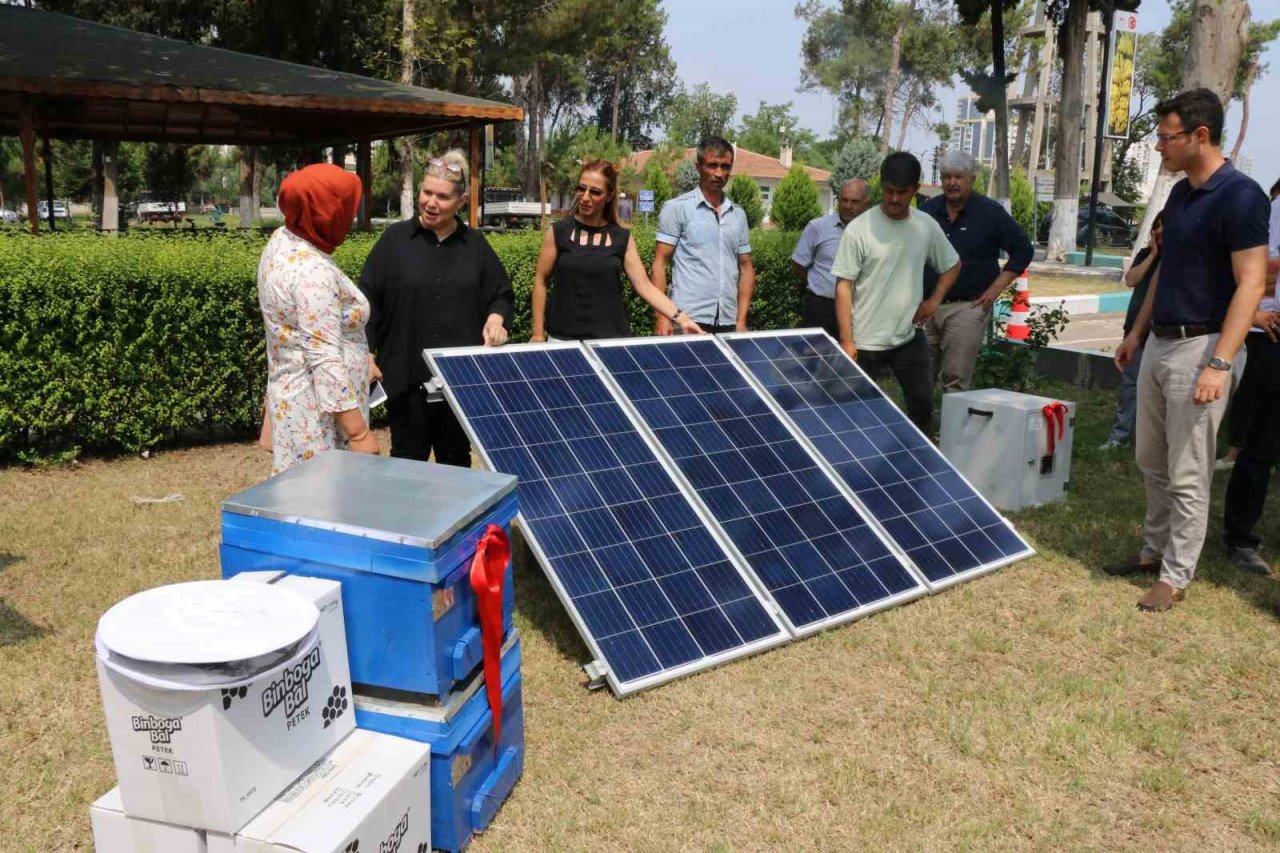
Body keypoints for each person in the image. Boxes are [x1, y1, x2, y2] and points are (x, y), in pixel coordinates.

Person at [1106, 88, 1269, 612]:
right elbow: (1166, 271)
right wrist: (1136, 334)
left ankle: (1176, 575)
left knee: (1189, 470)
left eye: (1166, 137)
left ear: (1201, 135)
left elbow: (1250, 284)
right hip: (1159, 344)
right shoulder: (1179, 196)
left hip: (1203, 349)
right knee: (1151, 459)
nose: (1159, 147)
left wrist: (1221, 362)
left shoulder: (1243, 197)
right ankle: (1153, 551)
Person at [359, 150, 513, 467]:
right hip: (406, 378)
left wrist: (496, 318)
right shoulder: (394, 240)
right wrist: (367, 352)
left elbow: (502, 294)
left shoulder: (476, 246)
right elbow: (368, 300)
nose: (431, 202)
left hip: (458, 381)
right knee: (406, 463)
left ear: (461, 200)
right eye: (426, 192)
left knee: (455, 463)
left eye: (442, 197)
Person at [258, 163, 378, 475]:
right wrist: (359, 433)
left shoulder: (282, 241)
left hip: (295, 399)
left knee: (299, 499)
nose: (350, 218)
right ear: (326, 212)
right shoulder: (313, 274)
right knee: (323, 503)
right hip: (319, 420)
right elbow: (323, 357)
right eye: (345, 208)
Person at [831, 152, 961, 434]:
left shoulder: (925, 226)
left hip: (907, 336)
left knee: (922, 405)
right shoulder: (859, 229)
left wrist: (934, 300)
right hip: (862, 340)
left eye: (902, 193)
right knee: (850, 412)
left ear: (916, 189)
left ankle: (917, 460)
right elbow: (843, 286)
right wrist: (846, 339)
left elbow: (952, 265)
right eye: (888, 191)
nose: (894, 199)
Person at [531, 160, 702, 342]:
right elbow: (541, 281)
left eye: (595, 192)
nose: (585, 197)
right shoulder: (558, 232)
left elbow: (644, 286)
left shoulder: (622, 238)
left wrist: (681, 318)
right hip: (563, 341)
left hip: (611, 343)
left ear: (610, 195)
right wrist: (537, 333)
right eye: (581, 188)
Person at [920, 150, 1034, 393]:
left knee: (955, 379)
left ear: (971, 179)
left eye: (958, 177)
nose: (952, 183)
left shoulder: (990, 213)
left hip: (967, 308)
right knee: (918, 378)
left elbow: (1023, 251)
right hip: (925, 307)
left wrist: (994, 290)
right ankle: (920, 429)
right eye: (947, 177)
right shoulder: (927, 211)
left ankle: (951, 431)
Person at [1220, 176, 1280, 577]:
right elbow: (1261, 270)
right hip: (1273, 338)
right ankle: (1240, 538)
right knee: (1260, 446)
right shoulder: (1274, 209)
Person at [652, 136, 754, 334]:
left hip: (728, 322)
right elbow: (659, 263)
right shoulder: (677, 209)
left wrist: (741, 321)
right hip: (686, 320)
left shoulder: (738, 214)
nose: (719, 173)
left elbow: (746, 268)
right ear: (698, 166)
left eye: (725, 167)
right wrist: (662, 317)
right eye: (712, 165)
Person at [1100, 211, 1164, 450]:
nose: (1158, 231)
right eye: (1155, 226)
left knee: (1157, 389)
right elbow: (1131, 280)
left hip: (1161, 333)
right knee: (1130, 384)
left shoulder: (1180, 258)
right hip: (1135, 332)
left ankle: (1150, 440)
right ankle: (1120, 437)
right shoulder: (1147, 254)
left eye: (1163, 226)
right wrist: (1152, 256)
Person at [791, 179, 873, 339]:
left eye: (854, 201)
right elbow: (798, 264)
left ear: (867, 204)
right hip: (820, 310)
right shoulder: (817, 227)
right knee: (813, 360)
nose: (848, 206)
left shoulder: (875, 233)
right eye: (844, 200)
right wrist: (818, 281)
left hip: (860, 312)